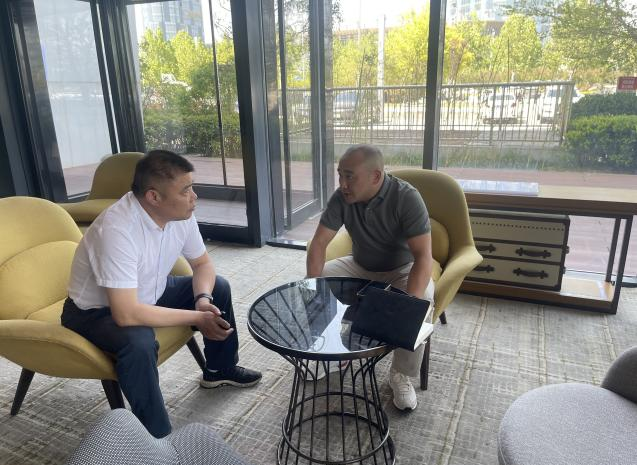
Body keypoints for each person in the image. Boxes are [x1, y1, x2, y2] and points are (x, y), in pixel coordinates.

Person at [61, 150, 261, 438]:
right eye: (185, 190)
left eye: (192, 187)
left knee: (218, 286)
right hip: (93, 311)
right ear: (154, 197)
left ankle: (220, 370)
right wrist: (197, 317)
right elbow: (126, 313)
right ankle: (157, 435)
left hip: (150, 291)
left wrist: (202, 300)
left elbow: (202, 264)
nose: (194, 197)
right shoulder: (116, 229)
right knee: (139, 341)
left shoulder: (180, 213)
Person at [306, 144, 434, 411]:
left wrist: (407, 307)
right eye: (340, 175)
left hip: (402, 267)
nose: (342, 184)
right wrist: (312, 285)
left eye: (349, 176)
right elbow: (319, 243)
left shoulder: (406, 198)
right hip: (359, 263)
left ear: (375, 176)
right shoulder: (341, 197)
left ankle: (400, 374)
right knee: (321, 281)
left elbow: (423, 256)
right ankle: (333, 350)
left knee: (423, 300)